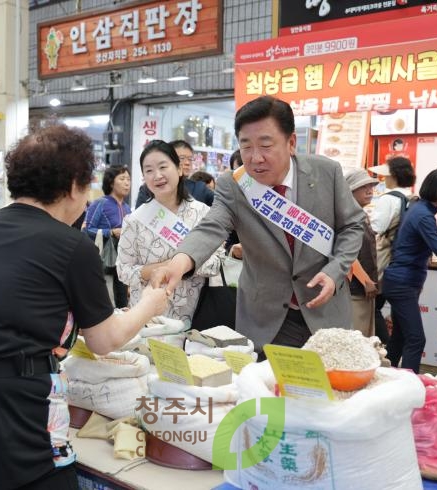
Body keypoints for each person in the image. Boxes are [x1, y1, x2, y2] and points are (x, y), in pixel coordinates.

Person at [0, 125, 168, 490]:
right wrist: (149, 306)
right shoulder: (71, 246)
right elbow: (104, 340)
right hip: (7, 414)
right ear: (74, 185)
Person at [152, 96, 365, 354]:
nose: (254, 158)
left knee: (330, 391)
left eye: (265, 145)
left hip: (325, 312)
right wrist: (180, 261)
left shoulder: (326, 173)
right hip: (267, 319)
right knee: (269, 391)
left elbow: (352, 226)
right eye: (246, 147)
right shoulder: (235, 184)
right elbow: (212, 226)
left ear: (291, 143)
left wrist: (335, 269)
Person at [117, 140, 222, 324]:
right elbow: (123, 271)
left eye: (163, 167)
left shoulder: (203, 214)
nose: (157, 175)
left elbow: (216, 262)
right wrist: (160, 268)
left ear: (179, 170)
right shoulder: (134, 220)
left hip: (193, 318)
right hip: (147, 320)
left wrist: (180, 265)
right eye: (148, 170)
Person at [383, 168, 437, 374]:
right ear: (436, 187)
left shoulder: (419, 208)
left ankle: (386, 378)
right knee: (416, 339)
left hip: (401, 281)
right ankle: (409, 389)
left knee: (400, 337)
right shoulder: (423, 215)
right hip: (402, 283)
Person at [369, 156, 416, 343]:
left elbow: (375, 228)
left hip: (383, 256)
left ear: (393, 176)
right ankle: (394, 350)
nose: (383, 179)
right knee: (398, 313)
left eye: (386, 175)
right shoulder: (413, 197)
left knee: (373, 307)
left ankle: (385, 346)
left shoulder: (388, 199)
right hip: (402, 262)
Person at [83, 165, 132, 308]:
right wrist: (110, 232)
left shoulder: (127, 208)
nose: (126, 182)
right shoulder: (100, 203)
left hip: (122, 262)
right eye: (122, 178)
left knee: (122, 302)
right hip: (102, 261)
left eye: (128, 179)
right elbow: (86, 230)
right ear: (111, 182)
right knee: (104, 301)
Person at [345, 168, 379, 337]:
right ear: (351, 190)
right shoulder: (347, 215)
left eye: (371, 186)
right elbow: (346, 252)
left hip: (364, 287)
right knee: (355, 337)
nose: (369, 191)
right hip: (354, 288)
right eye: (363, 187)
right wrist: (365, 280)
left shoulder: (361, 213)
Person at [134, 140, 214, 207]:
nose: (187, 163)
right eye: (182, 158)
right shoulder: (147, 190)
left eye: (190, 159)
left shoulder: (199, 188)